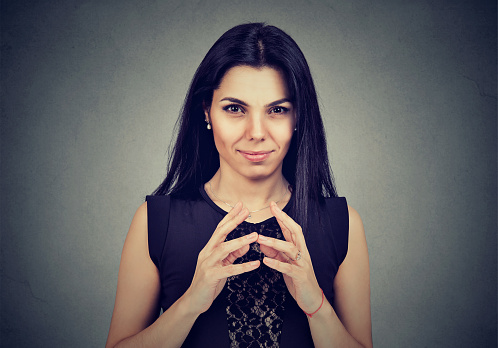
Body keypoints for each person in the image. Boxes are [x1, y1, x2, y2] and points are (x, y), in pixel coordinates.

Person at [106, 23, 372, 348]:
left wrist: (316, 305)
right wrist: (191, 302)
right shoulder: (155, 221)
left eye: (277, 110)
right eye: (235, 109)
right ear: (207, 111)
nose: (256, 132)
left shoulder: (342, 224)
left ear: (298, 117)